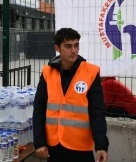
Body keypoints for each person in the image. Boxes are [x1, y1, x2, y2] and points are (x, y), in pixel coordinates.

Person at [33, 28, 109, 162]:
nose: (73, 50)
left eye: (76, 45)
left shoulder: (90, 72)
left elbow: (97, 111)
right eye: (68, 46)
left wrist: (101, 145)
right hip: (54, 146)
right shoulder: (47, 72)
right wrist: (39, 141)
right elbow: (39, 109)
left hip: (80, 147)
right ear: (57, 48)